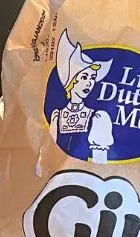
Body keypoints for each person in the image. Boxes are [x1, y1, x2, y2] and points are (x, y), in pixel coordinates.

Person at [49, 29, 115, 163]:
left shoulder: (98, 118)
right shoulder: (57, 116)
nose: (89, 83)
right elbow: (47, 157)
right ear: (72, 80)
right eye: (84, 77)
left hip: (84, 181)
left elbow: (100, 163)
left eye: (93, 78)